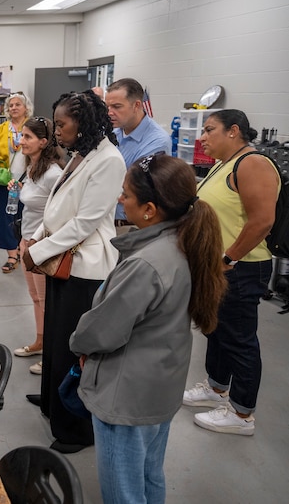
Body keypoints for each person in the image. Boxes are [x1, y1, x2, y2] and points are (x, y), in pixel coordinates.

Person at [70, 154, 227, 504]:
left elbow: (103, 331)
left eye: (125, 195)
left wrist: (78, 342)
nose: (120, 200)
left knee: (123, 491)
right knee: (149, 477)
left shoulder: (146, 263)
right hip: (159, 386)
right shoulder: (185, 244)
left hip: (127, 396)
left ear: (150, 209)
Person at [21, 90, 126, 454]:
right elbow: (55, 205)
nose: (57, 131)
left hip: (85, 267)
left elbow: (85, 221)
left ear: (83, 123)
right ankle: (52, 401)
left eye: (62, 124)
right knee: (55, 337)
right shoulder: (82, 154)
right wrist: (34, 238)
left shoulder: (109, 160)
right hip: (61, 257)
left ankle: (75, 429)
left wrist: (39, 250)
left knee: (73, 347)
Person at [182, 109, 279, 435]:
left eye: (209, 130)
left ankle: (241, 415)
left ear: (234, 131)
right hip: (218, 266)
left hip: (241, 268)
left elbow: (262, 220)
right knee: (217, 331)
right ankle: (216, 387)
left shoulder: (252, 164)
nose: (203, 137)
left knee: (239, 340)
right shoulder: (226, 164)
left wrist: (228, 259)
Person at [10, 116, 64, 374]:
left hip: (42, 245)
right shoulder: (31, 168)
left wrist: (39, 241)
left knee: (46, 300)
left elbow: (62, 212)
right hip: (27, 240)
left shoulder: (53, 174)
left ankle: (52, 353)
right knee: (35, 297)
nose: (22, 141)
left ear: (44, 142)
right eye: (22, 136)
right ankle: (40, 341)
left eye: (28, 137)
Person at [105, 78, 171, 229]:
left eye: (116, 107)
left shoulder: (157, 141)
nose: (109, 113)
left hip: (129, 225)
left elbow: (134, 185)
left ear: (137, 105)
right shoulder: (114, 133)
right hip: (106, 220)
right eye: (107, 107)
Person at [0, 92, 33, 273]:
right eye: (10, 105)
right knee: (5, 217)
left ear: (26, 107)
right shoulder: (0, 129)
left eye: (17, 104)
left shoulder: (33, 127)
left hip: (28, 180)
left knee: (25, 215)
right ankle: (12, 255)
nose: (13, 108)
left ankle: (23, 249)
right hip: (4, 181)